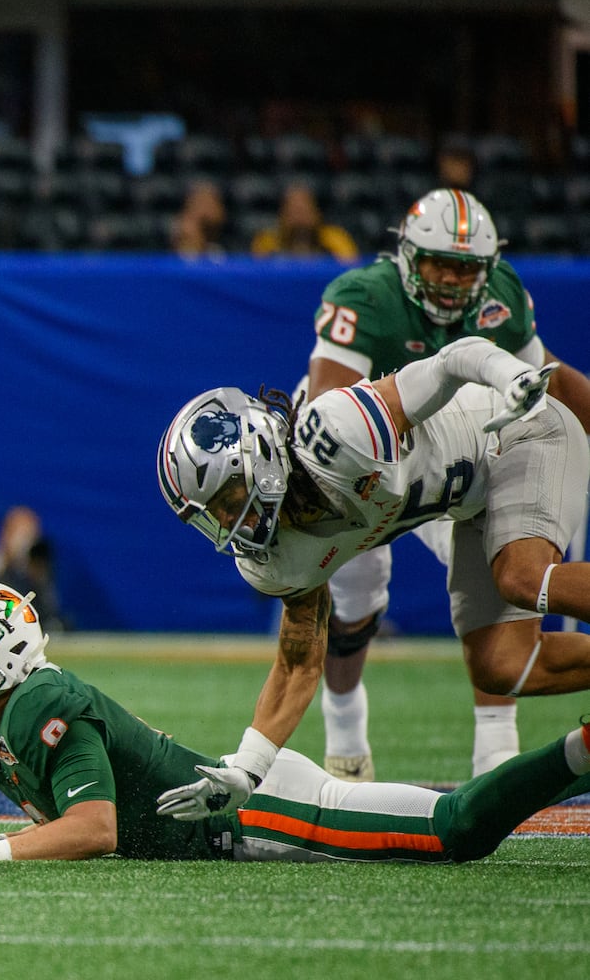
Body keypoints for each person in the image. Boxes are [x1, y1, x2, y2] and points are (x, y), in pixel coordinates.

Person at [156, 337, 590, 820]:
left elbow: (451, 361)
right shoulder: (274, 558)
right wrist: (248, 768)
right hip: (471, 500)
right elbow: (298, 664)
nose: (228, 520)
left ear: (258, 454)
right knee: (503, 665)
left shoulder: (339, 433)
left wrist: (509, 375)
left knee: (522, 577)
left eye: (228, 497)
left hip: (516, 432)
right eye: (211, 514)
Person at [0, 578, 590, 864]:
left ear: (10, 644)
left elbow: (96, 831)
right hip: (227, 817)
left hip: (256, 811)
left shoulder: (41, 701)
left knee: (456, 829)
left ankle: (581, 749)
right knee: (456, 830)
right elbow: (80, 810)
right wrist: (3, 836)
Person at [304, 188, 590, 781]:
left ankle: (496, 746)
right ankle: (346, 729)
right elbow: (333, 406)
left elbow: (546, 381)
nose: (451, 280)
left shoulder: (502, 297)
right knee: (353, 608)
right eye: (438, 262)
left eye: (465, 268)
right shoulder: (365, 299)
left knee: (509, 574)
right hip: (362, 476)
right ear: (407, 256)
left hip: (463, 462)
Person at [0, 505, 67, 633]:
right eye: (19, 531)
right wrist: (12, 557)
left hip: (40, 622)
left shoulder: (39, 558)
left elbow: (46, 600)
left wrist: (31, 565)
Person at [250, 181, 359, 261]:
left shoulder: (336, 239)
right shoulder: (267, 242)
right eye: (293, 211)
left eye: (304, 211)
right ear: (282, 216)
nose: (299, 218)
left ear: (317, 214)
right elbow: (257, 276)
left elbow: (350, 272)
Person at [169, 179, 227, 259]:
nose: (205, 209)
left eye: (209, 204)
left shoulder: (218, 252)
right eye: (201, 203)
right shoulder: (183, 229)